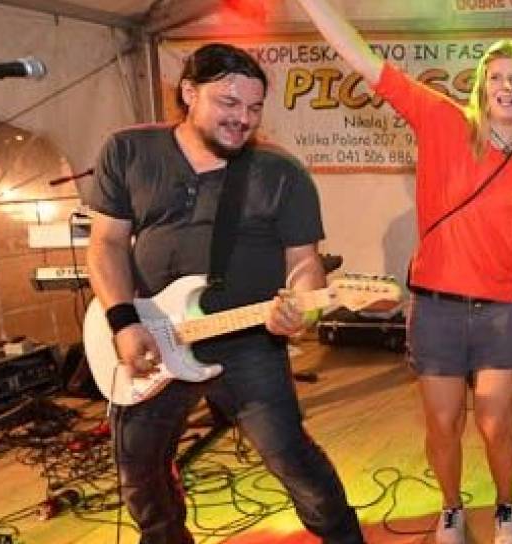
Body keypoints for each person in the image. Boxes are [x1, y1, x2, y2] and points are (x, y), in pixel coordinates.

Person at [293, 2, 512, 543]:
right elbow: (364, 60)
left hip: (498, 311)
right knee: (443, 423)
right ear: (482, 86)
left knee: (496, 421)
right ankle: (451, 508)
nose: (506, 87)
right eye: (496, 77)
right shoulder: (444, 121)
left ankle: (506, 504)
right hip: (436, 308)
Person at [81, 43, 364, 544]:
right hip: (151, 334)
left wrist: (302, 312)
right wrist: (123, 321)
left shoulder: (280, 173)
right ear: (189, 93)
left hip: (248, 342)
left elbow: (304, 263)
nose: (243, 119)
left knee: (292, 459)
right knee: (139, 468)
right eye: (229, 103)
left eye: (254, 108)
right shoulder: (128, 151)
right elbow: (106, 243)